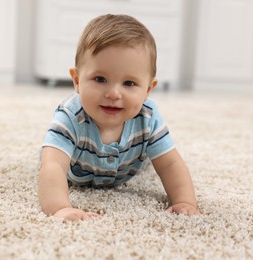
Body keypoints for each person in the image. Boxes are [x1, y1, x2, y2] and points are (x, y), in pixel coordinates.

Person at [38, 14, 199, 221]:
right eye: (100, 79)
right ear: (77, 80)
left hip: (128, 163)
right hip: (76, 169)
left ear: (148, 89)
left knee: (157, 158)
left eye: (129, 84)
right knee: (48, 158)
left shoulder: (148, 117)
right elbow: (54, 166)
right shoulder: (70, 116)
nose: (114, 93)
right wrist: (60, 208)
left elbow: (170, 164)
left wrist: (185, 201)